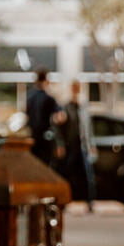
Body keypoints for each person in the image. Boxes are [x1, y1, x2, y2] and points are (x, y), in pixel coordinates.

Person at [54, 79, 96, 209]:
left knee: (88, 175)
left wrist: (91, 145)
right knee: (67, 174)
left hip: (83, 145)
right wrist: (60, 144)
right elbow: (59, 128)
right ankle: (65, 200)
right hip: (70, 145)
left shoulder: (84, 106)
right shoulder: (66, 106)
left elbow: (88, 128)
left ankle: (90, 201)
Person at [25, 68, 60, 165]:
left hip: (32, 137)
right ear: (46, 80)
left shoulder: (29, 98)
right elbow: (59, 117)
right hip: (45, 139)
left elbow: (26, 116)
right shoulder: (49, 98)